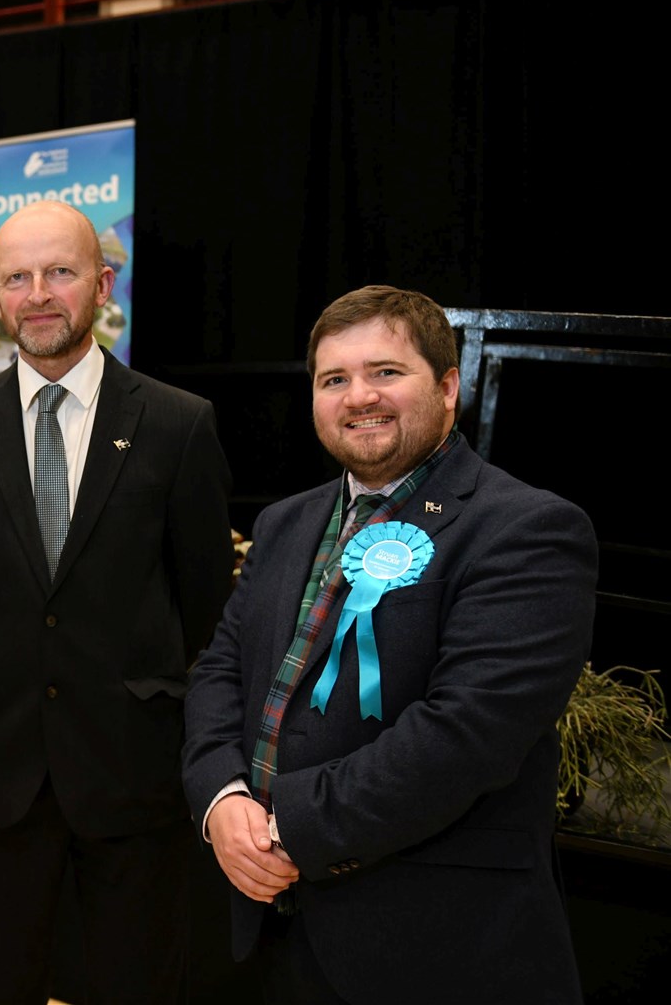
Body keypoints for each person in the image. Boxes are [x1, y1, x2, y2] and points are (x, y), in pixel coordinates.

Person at [183, 285, 596, 1004]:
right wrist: (221, 800)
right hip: (276, 932)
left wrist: (287, 830)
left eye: (385, 372)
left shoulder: (528, 530)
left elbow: (466, 736)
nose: (358, 396)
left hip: (438, 948)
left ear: (448, 387)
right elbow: (220, 668)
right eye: (333, 379)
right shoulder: (285, 523)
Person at [0, 200, 235, 1004]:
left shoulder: (177, 423)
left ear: (103, 282)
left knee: (138, 981)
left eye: (59, 272)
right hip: (0, 765)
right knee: (6, 980)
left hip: (133, 762)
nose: (37, 294)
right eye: (15, 277)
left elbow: (202, 595)